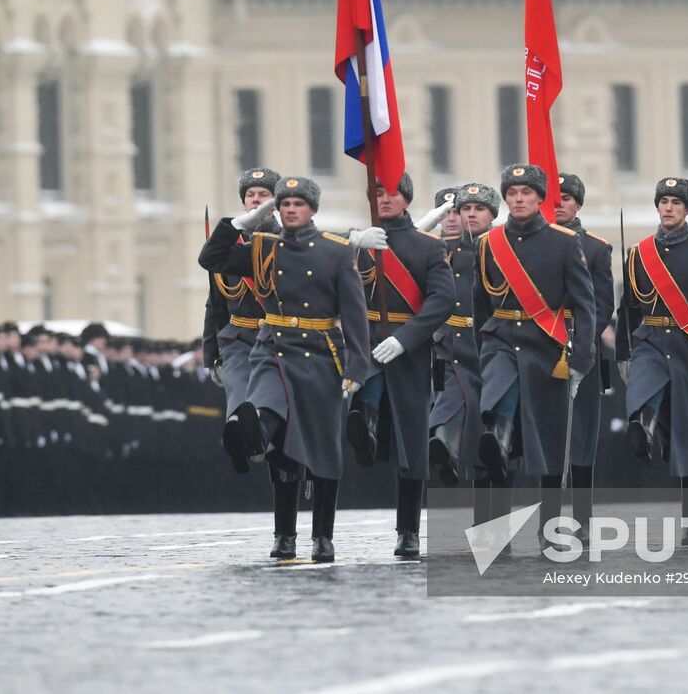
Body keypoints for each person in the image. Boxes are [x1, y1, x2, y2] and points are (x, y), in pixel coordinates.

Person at [199, 176, 371, 562]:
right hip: (272, 350)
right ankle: (283, 532)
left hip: (320, 354)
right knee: (270, 425)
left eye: (298, 203)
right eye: (285, 203)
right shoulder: (262, 249)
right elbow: (210, 260)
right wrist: (239, 224)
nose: (291, 209)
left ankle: (322, 536)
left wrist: (357, 366)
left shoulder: (336, 251)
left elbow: (355, 314)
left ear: (312, 209)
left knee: (324, 450)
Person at [473, 163, 596, 547]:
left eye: (526, 193)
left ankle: (549, 530)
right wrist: (483, 347)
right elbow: (481, 303)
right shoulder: (489, 243)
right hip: (501, 340)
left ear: (540, 199)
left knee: (549, 444)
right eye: (512, 193)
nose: (519, 199)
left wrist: (581, 359)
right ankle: (501, 438)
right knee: (499, 402)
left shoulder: (563, 242)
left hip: (547, 346)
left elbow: (585, 304)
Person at [615, 176, 688, 547]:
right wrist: (622, 352)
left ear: (687, 210)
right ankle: (643, 426)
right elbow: (629, 309)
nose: (668, 208)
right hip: (649, 340)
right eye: (663, 201)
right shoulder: (638, 254)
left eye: (675, 203)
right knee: (643, 391)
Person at [348, 173, 455, 557]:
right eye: (377, 193)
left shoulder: (427, 247)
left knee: (412, 443)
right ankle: (367, 424)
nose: (384, 200)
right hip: (366, 342)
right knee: (363, 396)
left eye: (391, 193)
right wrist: (350, 242)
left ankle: (407, 529)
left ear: (407, 198)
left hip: (408, 349)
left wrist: (405, 338)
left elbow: (443, 300)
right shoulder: (359, 242)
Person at [202, 167, 280, 473]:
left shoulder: (290, 237)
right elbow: (216, 303)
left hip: (279, 337)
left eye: (263, 195)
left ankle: (256, 440)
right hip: (239, 337)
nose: (256, 201)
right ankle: (237, 435)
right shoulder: (225, 244)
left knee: (270, 397)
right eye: (251, 196)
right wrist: (211, 355)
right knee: (237, 385)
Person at [553, 172, 615, 536]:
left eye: (567, 198)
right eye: (555, 197)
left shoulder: (595, 248)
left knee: (582, 435)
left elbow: (603, 303)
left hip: (581, 345)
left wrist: (582, 339)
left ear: (578, 204)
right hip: (542, 344)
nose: (559, 203)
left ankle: (582, 517)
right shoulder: (531, 243)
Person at [428, 184, 498, 509]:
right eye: (461, 210)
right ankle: (445, 451)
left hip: (492, 350)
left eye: (474, 209)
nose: (465, 216)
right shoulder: (443, 251)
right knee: (445, 411)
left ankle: (490, 521)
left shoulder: (501, 249)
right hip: (451, 348)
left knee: (490, 438)